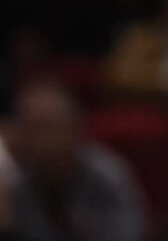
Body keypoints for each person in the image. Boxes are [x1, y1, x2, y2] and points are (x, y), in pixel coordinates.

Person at [8, 81, 146, 241]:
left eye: (45, 128)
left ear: (74, 130)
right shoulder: (20, 181)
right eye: (27, 128)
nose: (35, 140)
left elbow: (131, 234)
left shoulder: (107, 176)